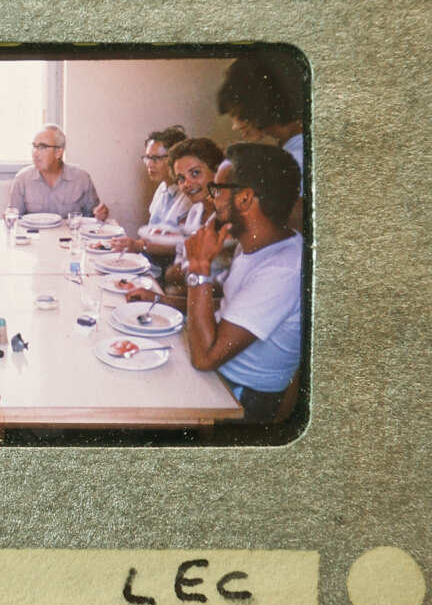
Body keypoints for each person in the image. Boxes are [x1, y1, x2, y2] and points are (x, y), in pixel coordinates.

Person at [128, 143, 302, 423]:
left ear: (245, 199)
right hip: (216, 370)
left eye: (218, 188)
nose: (212, 196)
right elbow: (230, 308)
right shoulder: (254, 245)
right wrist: (158, 300)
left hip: (238, 397)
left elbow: (205, 358)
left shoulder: (282, 269)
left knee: (134, 403)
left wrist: (199, 268)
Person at [217, 51, 307, 231]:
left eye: (236, 115)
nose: (235, 126)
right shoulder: (293, 148)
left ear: (258, 106)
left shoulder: (296, 159)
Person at [110, 126, 191, 258]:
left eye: (156, 159)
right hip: (149, 262)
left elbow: (181, 246)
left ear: (174, 159)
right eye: (147, 158)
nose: (149, 165)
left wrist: (138, 245)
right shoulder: (162, 188)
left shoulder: (187, 197)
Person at [162, 137, 228, 291]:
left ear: (216, 171)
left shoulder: (227, 219)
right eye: (181, 178)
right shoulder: (195, 211)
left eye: (195, 173)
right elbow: (179, 260)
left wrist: (179, 276)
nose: (186, 184)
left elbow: (220, 290)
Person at [8, 124, 109, 219]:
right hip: (36, 237)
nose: (35, 153)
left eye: (42, 147)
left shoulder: (82, 178)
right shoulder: (22, 179)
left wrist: (100, 214)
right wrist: (9, 216)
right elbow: (15, 219)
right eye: (34, 147)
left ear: (58, 152)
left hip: (70, 237)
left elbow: (92, 218)